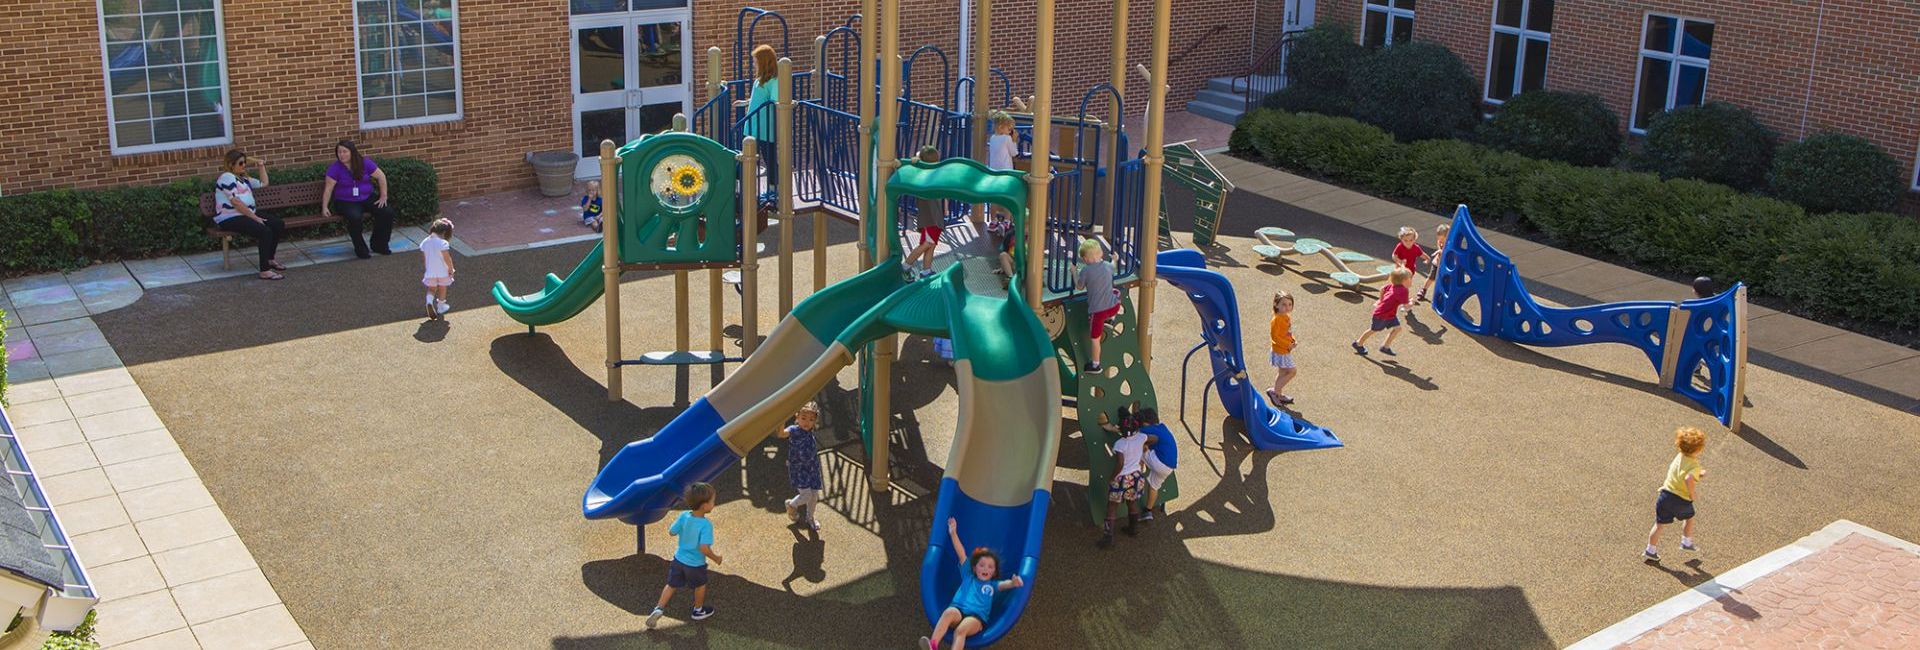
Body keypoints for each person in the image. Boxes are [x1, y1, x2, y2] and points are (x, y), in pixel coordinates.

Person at [921, 517, 1023, 650]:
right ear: (974, 568)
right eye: (982, 565)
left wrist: (1013, 583)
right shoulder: (968, 574)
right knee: (948, 613)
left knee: (961, 630)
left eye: (990, 567)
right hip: (958, 610)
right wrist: (953, 533)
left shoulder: (992, 585)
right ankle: (933, 645)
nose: (986, 569)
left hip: (975, 617)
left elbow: (1004, 585)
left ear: (994, 572)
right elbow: (961, 553)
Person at [647, 482, 725, 628]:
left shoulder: (684, 516)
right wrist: (716, 558)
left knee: (671, 585)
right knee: (700, 585)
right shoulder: (705, 525)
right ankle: (698, 610)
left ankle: (658, 608)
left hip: (678, 560)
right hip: (695, 564)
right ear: (704, 506)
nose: (714, 503)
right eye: (712, 501)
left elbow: (671, 531)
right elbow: (704, 548)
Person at [212, 150, 286, 280]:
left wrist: (261, 165)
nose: (244, 165)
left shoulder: (243, 179)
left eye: (245, 162)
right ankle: (265, 270)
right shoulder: (226, 177)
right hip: (230, 217)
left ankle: (269, 259)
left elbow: (264, 184)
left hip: (246, 214)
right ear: (231, 164)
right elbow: (236, 202)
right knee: (264, 231)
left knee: (277, 224)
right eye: (241, 163)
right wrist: (255, 218)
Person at [320, 139, 396, 258]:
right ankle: (360, 248)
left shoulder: (365, 163)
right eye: (339, 152)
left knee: (387, 212)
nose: (342, 155)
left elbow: (381, 176)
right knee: (355, 217)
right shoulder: (335, 168)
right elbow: (328, 189)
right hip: (345, 201)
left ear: (352, 152)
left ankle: (379, 245)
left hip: (366, 197)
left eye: (345, 152)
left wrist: (383, 196)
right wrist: (324, 207)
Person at [1096, 409, 1157, 548]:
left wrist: (1112, 477)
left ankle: (1108, 538)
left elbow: (1120, 463)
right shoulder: (1141, 437)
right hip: (1135, 477)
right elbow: (1155, 438)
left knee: (1112, 507)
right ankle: (1133, 528)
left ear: (1120, 428)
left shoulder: (1120, 444)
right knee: (1132, 502)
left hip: (1121, 478)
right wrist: (1146, 445)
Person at [1645, 427, 1707, 562]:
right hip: (1681, 499)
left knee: (1659, 524)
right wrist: (1692, 494)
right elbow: (1688, 478)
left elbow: (1681, 473)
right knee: (1689, 518)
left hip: (1665, 495)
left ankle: (1650, 549)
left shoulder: (1679, 457)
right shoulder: (1694, 466)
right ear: (1698, 449)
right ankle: (1686, 541)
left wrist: (1698, 474)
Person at [777, 403, 824, 531]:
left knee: (814, 496)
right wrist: (782, 419)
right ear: (797, 417)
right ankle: (792, 505)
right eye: (803, 418)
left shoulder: (810, 431)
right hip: (799, 469)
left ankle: (810, 518)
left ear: (815, 421)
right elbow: (781, 434)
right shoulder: (794, 430)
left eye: (811, 419)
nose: (807, 422)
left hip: (812, 468)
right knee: (806, 495)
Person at [1076, 238, 1119, 372]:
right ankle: (1111, 319)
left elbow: (1079, 287)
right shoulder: (1107, 265)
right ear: (1100, 254)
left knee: (1095, 339)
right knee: (1116, 292)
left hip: (1098, 313)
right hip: (1113, 307)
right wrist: (1115, 259)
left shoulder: (1085, 271)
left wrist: (1073, 272)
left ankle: (1095, 365)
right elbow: (1113, 266)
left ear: (1085, 259)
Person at [743, 44, 781, 195]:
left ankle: (774, 189)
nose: (754, 64)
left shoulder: (774, 81)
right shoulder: (759, 80)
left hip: (765, 126)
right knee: (747, 157)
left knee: (769, 158)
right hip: (752, 124)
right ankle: (747, 189)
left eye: (756, 61)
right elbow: (757, 99)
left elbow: (776, 100)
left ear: (764, 61)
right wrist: (745, 102)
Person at [1352, 267, 1413, 356]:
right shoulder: (1403, 290)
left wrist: (1381, 300)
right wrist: (1412, 302)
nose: (1411, 280)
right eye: (1410, 278)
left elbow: (1382, 289)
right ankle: (1358, 343)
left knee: (1397, 328)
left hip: (1389, 314)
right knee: (1373, 330)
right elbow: (1407, 306)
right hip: (1382, 315)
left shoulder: (1393, 285)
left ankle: (1385, 347)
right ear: (1404, 281)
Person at [905, 147, 945, 278]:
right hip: (930, 217)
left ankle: (926, 270)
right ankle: (906, 266)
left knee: (930, 245)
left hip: (935, 216)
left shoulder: (931, 172)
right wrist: (917, 160)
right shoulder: (925, 173)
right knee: (927, 244)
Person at [419, 219, 455, 320]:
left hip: (430, 271)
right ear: (444, 232)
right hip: (442, 271)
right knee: (442, 287)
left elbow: (425, 258)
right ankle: (441, 306)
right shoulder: (442, 243)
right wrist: (451, 269)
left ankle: (429, 301)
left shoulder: (425, 242)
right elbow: (447, 258)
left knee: (431, 289)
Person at [984, 111, 1017, 222]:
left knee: (994, 198)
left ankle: (993, 221)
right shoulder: (1006, 138)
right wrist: (1014, 140)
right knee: (1007, 197)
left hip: (994, 172)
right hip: (1006, 173)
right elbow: (1014, 153)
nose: (1010, 132)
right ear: (1001, 127)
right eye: (1009, 129)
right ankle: (1007, 221)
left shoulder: (993, 138)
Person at [1268, 290, 1298, 406]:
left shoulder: (1286, 317)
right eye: (1284, 304)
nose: (1287, 307)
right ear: (1276, 304)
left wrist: (1293, 340)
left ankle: (1277, 392)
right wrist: (1288, 345)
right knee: (1292, 371)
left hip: (1285, 349)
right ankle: (1276, 393)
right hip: (1281, 351)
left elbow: (1287, 333)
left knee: (1282, 372)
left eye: (1290, 304)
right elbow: (1275, 337)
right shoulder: (1276, 320)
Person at [1393, 226, 1429, 301]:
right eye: (1405, 240)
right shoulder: (1400, 246)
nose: (1408, 242)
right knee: (1397, 282)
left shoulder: (1416, 248)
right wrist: (1399, 261)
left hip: (1410, 270)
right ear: (1401, 239)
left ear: (1414, 239)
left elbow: (1421, 254)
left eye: (1411, 240)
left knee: (1406, 285)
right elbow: (1394, 255)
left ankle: (1404, 297)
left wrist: (1427, 258)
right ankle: (1394, 294)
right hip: (1400, 269)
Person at [1418, 224, 1450, 303]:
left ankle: (1443, 295)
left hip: (1446, 265)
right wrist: (1440, 249)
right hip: (1436, 263)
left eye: (1443, 240)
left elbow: (1449, 252)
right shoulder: (1440, 241)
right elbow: (1440, 247)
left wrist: (1441, 251)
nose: (1441, 242)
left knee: (1445, 280)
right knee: (1431, 277)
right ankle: (1423, 290)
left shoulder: (1450, 243)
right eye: (1439, 239)